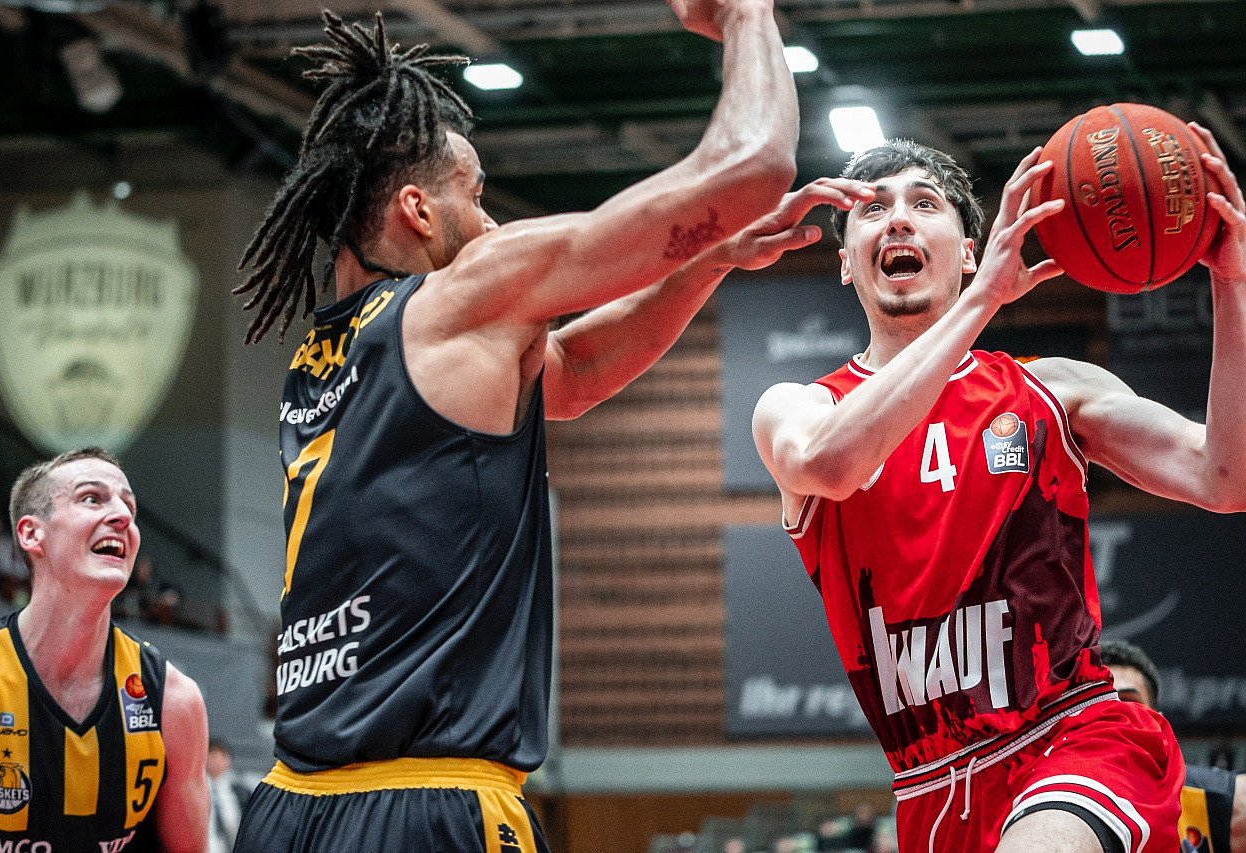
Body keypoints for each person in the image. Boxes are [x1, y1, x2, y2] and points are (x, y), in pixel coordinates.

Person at [232, 1, 871, 850]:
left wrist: (707, 258)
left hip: (287, 807)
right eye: (477, 194)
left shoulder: (325, 356)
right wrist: (747, 13)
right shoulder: (462, 293)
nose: (492, 224)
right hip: (429, 803)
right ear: (419, 211)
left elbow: (574, 376)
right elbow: (750, 164)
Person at [753, 127, 1246, 853]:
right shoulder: (797, 407)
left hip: (1073, 740)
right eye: (871, 208)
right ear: (845, 264)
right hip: (930, 785)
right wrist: (979, 304)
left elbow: (1225, 476)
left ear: (972, 252)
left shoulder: (1050, 390)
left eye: (924, 203)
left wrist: (1232, 286)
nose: (897, 218)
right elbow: (831, 466)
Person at [0, 448, 209, 851]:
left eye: (128, 505)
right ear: (30, 534)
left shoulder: (174, 702)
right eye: (92, 498)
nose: (123, 516)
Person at [1101, 638, 1246, 853]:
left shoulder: (1212, 800)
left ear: (1159, 723)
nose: (1116, 716)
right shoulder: (1045, 803)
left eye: (1130, 701)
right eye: (1101, 704)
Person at [206, 739, 251, 853]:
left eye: (222, 757)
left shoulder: (240, 792)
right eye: (212, 756)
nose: (217, 762)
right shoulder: (196, 790)